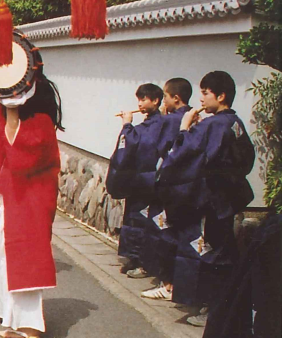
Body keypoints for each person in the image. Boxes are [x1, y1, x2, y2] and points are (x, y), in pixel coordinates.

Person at [0, 70, 63, 338]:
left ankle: (30, 326)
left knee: (24, 259)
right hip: (10, 198)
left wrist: (11, 114)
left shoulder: (41, 122)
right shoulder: (10, 120)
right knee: (3, 255)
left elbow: (22, 160)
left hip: (30, 200)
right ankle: (8, 314)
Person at [157, 71, 255, 327]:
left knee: (208, 253)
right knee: (222, 250)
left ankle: (212, 310)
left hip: (208, 199)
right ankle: (217, 306)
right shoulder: (235, 123)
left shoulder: (212, 125)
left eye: (205, 92)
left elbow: (183, 156)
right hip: (224, 199)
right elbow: (245, 160)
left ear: (220, 96)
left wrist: (184, 127)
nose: (200, 98)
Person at [140, 78, 192, 301]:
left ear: (175, 98)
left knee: (163, 232)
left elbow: (159, 148)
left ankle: (167, 283)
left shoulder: (172, 121)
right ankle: (174, 283)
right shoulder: (193, 118)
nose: (165, 100)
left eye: (167, 96)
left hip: (168, 186)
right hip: (186, 188)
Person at [105, 83, 164, 279]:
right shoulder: (149, 124)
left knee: (141, 221)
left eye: (144, 99)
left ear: (155, 101)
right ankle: (133, 257)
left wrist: (127, 125)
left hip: (146, 181)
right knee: (132, 219)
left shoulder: (158, 125)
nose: (139, 103)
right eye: (138, 99)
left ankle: (140, 261)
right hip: (139, 181)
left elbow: (135, 144)